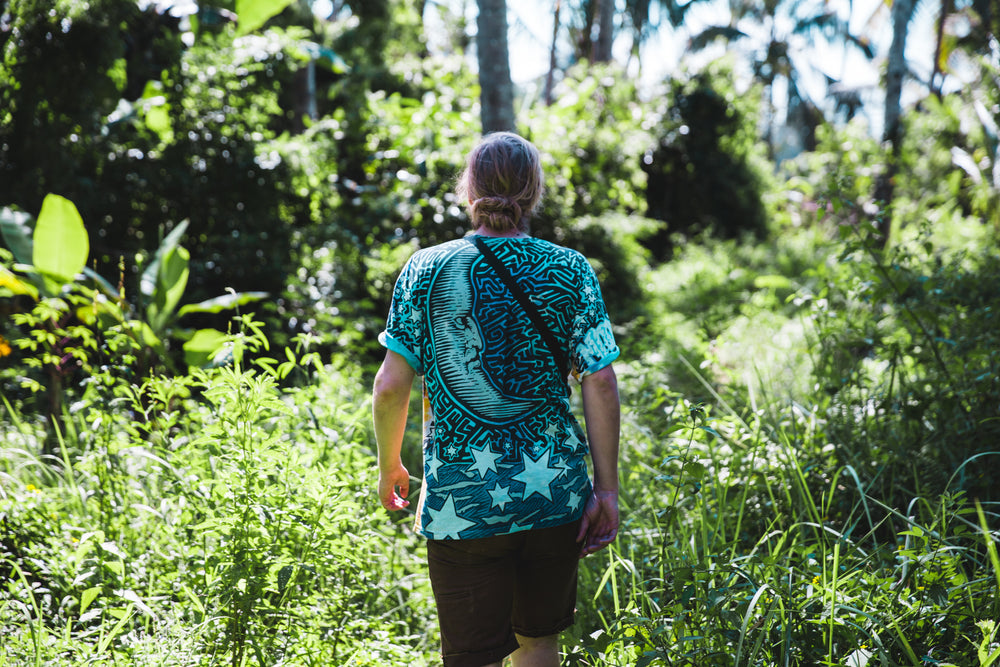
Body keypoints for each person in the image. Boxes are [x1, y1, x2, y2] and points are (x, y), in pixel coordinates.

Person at [372, 132, 621, 667]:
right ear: (534, 191)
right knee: (539, 643)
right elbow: (599, 381)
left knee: (472, 657)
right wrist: (606, 489)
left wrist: (390, 463)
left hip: (461, 501)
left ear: (469, 189)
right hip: (552, 495)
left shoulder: (424, 268)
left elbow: (391, 385)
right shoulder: (571, 269)